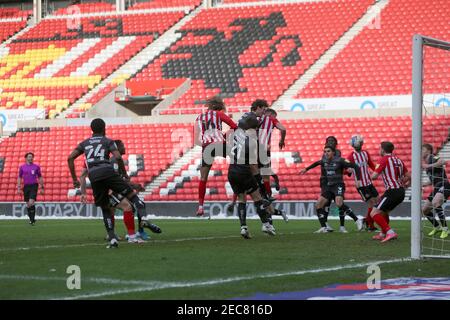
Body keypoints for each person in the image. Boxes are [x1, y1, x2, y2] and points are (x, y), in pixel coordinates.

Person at [68, 118, 161, 249]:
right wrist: (125, 174)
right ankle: (142, 221)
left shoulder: (84, 143)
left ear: (92, 129)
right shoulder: (108, 141)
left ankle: (112, 239)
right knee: (132, 197)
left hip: (94, 175)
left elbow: (70, 157)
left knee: (105, 208)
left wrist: (74, 179)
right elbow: (117, 157)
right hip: (107, 171)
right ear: (104, 128)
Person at [79, 139, 147, 243]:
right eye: (123, 146)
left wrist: (83, 193)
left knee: (110, 210)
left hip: (100, 186)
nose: (124, 147)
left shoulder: (90, 158)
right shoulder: (113, 160)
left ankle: (111, 234)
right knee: (127, 207)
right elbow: (115, 179)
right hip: (109, 189)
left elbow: (83, 175)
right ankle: (131, 236)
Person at [228, 112, 276, 238]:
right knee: (257, 198)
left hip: (232, 171)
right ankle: (266, 225)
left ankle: (243, 227)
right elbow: (253, 167)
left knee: (241, 199)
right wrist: (261, 184)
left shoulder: (234, 136)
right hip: (244, 172)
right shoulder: (252, 141)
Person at [300, 144, 363, 233]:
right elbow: (316, 163)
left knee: (339, 203)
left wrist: (358, 180)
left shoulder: (340, 160)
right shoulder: (324, 161)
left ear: (333, 152)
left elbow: (355, 166)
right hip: (329, 186)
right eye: (325, 151)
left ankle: (357, 220)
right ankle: (324, 227)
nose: (326, 153)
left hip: (338, 185)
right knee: (318, 205)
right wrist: (306, 169)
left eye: (328, 151)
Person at [194, 96, 237, 216]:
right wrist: (224, 136)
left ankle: (201, 207)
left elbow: (197, 139)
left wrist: (205, 144)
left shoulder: (199, 117)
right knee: (240, 164)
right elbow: (234, 127)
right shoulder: (218, 114)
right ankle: (234, 199)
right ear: (219, 106)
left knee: (203, 178)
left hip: (207, 147)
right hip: (220, 145)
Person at [370, 141, 410, 243]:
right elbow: (409, 176)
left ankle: (390, 232)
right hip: (401, 191)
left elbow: (374, 176)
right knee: (384, 212)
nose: (379, 150)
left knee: (373, 213)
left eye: (380, 148)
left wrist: (367, 176)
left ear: (383, 149)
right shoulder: (398, 160)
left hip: (392, 191)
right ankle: (383, 234)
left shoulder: (383, 160)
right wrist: (404, 183)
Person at [346, 135, 379, 232]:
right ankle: (370, 226)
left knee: (377, 201)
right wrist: (348, 170)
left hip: (369, 182)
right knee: (371, 204)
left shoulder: (365, 153)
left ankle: (366, 221)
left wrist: (379, 171)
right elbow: (346, 170)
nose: (357, 146)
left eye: (358, 144)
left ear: (361, 143)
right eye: (355, 145)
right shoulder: (351, 156)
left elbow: (371, 165)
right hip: (361, 185)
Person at [421, 143, 449, 239]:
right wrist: (423, 184)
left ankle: (445, 229)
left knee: (436, 202)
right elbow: (432, 179)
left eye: (423, 150)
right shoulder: (427, 163)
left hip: (444, 184)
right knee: (424, 210)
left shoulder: (433, 157)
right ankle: (437, 227)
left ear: (428, 151)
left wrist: (427, 166)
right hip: (436, 186)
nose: (421, 152)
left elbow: (442, 161)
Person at [17, 152, 44, 225]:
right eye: (29, 157)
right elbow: (19, 177)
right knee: (28, 204)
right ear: (26, 158)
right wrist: (18, 187)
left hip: (34, 186)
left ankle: (31, 221)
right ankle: (32, 219)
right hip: (26, 187)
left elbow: (40, 177)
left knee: (31, 202)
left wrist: (42, 187)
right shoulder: (22, 167)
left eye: (32, 157)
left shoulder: (36, 167)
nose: (31, 158)